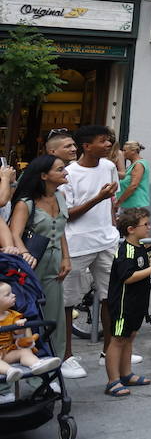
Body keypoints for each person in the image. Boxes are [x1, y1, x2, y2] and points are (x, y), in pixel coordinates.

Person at [60, 124, 122, 378]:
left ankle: (110, 351)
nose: (108, 145)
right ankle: (66, 356)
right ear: (86, 146)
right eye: (103, 141)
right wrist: (97, 198)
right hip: (77, 244)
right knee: (68, 301)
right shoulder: (68, 173)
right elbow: (68, 215)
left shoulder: (108, 168)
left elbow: (112, 202)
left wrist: (113, 228)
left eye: (109, 140)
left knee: (112, 297)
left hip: (107, 241)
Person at [7, 156, 69, 373]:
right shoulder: (26, 203)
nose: (66, 172)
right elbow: (14, 234)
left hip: (54, 265)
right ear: (44, 175)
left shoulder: (60, 197)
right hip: (30, 266)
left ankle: (54, 367)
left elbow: (61, 231)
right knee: (31, 318)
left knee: (55, 317)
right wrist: (24, 253)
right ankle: (34, 370)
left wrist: (66, 258)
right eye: (60, 169)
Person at [103, 207, 151, 396]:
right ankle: (112, 380)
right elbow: (127, 277)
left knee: (129, 337)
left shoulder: (140, 248)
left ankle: (126, 373)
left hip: (137, 302)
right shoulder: (126, 251)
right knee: (117, 339)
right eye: (145, 224)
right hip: (123, 303)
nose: (149, 227)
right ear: (131, 229)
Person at [1, 279, 62, 383]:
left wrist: (21, 326)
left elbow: (18, 334)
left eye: (12, 292)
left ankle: (37, 364)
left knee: (25, 351)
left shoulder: (14, 315)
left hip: (8, 352)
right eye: (8, 295)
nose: (14, 295)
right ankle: (10, 371)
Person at [113, 141, 149, 212]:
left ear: (133, 151)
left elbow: (133, 185)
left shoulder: (139, 165)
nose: (123, 153)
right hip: (129, 204)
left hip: (135, 205)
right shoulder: (132, 165)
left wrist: (119, 201)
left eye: (125, 150)